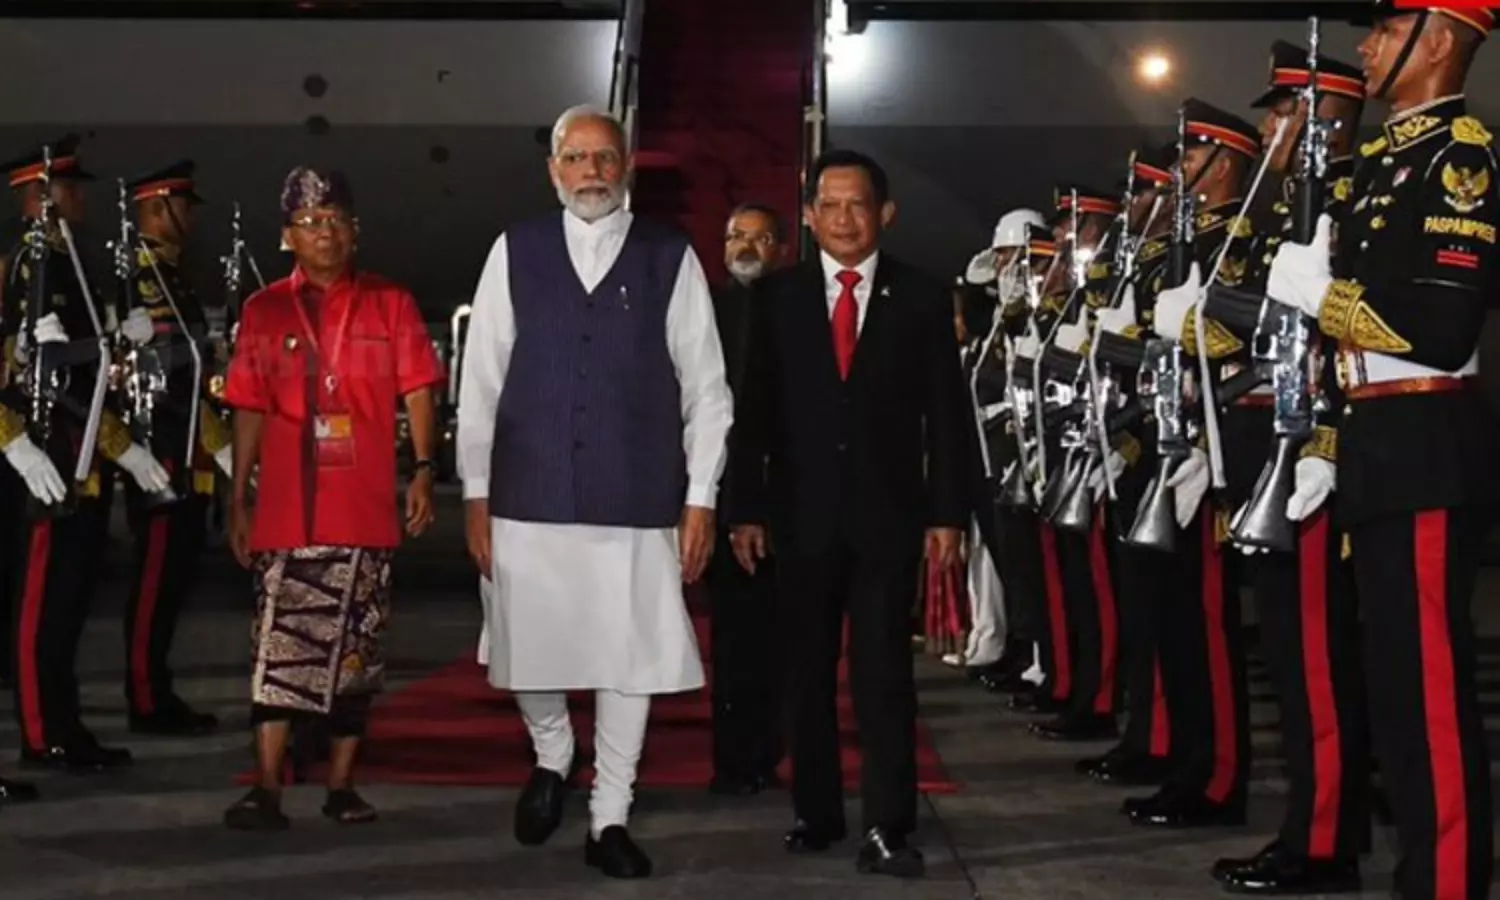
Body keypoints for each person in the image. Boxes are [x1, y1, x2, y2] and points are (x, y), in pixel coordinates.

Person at [457, 104, 732, 879]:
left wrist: (701, 496)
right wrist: (474, 492)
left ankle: (610, 814)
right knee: (527, 649)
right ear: (553, 171)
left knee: (628, 658)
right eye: (575, 158)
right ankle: (553, 750)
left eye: (605, 158)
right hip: (527, 491)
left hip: (635, 496)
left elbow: (707, 388)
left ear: (627, 167)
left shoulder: (668, 254)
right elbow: (480, 381)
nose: (591, 172)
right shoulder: (514, 250)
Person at [1267, 4, 1497, 897]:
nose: (1365, 46)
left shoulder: (1457, 161)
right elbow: (1349, 355)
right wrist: (1327, 441)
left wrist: (1321, 297)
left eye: (1387, 29)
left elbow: (1441, 331)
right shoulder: (1384, 163)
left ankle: (1447, 884)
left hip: (1424, 444)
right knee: (1395, 689)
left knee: (1429, 696)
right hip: (1377, 444)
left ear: (1437, 40)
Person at [727, 148, 968, 878]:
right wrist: (746, 507)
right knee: (806, 673)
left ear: (884, 213)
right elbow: (753, 411)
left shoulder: (922, 297)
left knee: (884, 677)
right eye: (828, 206)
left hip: (887, 521)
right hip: (799, 518)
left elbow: (947, 416)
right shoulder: (777, 298)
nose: (842, 219)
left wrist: (947, 515)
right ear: (807, 216)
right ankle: (817, 812)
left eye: (856, 204)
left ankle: (889, 825)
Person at [1195, 42, 1370, 895]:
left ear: (1323, 117)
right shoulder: (1275, 213)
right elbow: (1256, 331)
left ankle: (1326, 841)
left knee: (1318, 666)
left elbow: (1349, 335)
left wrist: (1326, 443)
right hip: (1267, 453)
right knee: (1292, 665)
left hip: (1313, 456)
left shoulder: (1348, 200)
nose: (1269, 129)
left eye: (1284, 112)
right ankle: (1312, 825)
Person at [220, 166, 444, 831]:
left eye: (337, 221)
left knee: (356, 659)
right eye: (311, 223)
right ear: (287, 236)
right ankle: (266, 787)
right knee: (276, 653)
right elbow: (248, 406)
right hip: (286, 510)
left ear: (356, 231)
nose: (326, 233)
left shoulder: (390, 302)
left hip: (363, 508)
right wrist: (237, 498)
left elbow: (418, 389)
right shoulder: (264, 310)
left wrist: (424, 468)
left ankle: (342, 785)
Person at [0, 137, 170, 772]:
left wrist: (123, 451)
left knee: (69, 604)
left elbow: (85, 380)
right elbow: (17, 368)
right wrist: (14, 441)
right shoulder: (25, 265)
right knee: (37, 607)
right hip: (42, 457)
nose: (79, 200)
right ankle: (39, 733)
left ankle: (64, 724)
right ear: (37, 197)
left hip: (79, 456)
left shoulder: (72, 265)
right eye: (68, 189)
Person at [120, 160, 232, 736]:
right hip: (162, 448)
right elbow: (169, 381)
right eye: (182, 206)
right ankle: (145, 698)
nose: (189, 217)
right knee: (154, 581)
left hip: (184, 449)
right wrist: (220, 443)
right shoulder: (145, 278)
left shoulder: (171, 275)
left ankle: (156, 690)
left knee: (173, 582)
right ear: (156, 208)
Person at [708, 202, 788, 796]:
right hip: (718, 495)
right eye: (737, 236)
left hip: (783, 498)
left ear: (780, 249)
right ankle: (735, 759)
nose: (747, 247)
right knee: (732, 640)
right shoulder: (704, 310)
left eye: (760, 239)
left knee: (779, 640)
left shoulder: (796, 310)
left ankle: (768, 752)